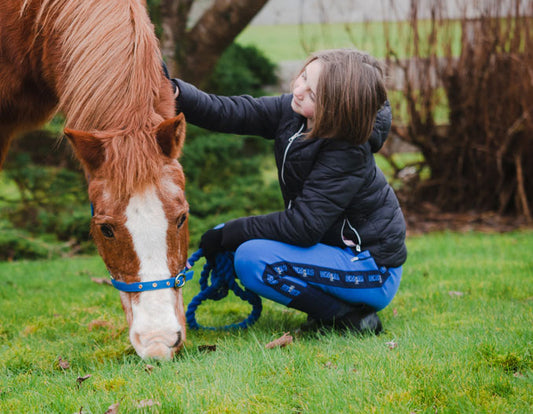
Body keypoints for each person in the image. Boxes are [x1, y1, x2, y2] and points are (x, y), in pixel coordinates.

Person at [171, 48, 407, 334]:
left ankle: (345, 318)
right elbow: (233, 112)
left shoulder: (347, 150)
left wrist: (229, 233)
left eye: (313, 94)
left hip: (371, 270)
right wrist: (174, 92)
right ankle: (335, 309)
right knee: (234, 240)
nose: (298, 89)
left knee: (252, 258)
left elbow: (302, 226)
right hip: (334, 251)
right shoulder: (294, 113)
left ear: (338, 108)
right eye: (304, 77)